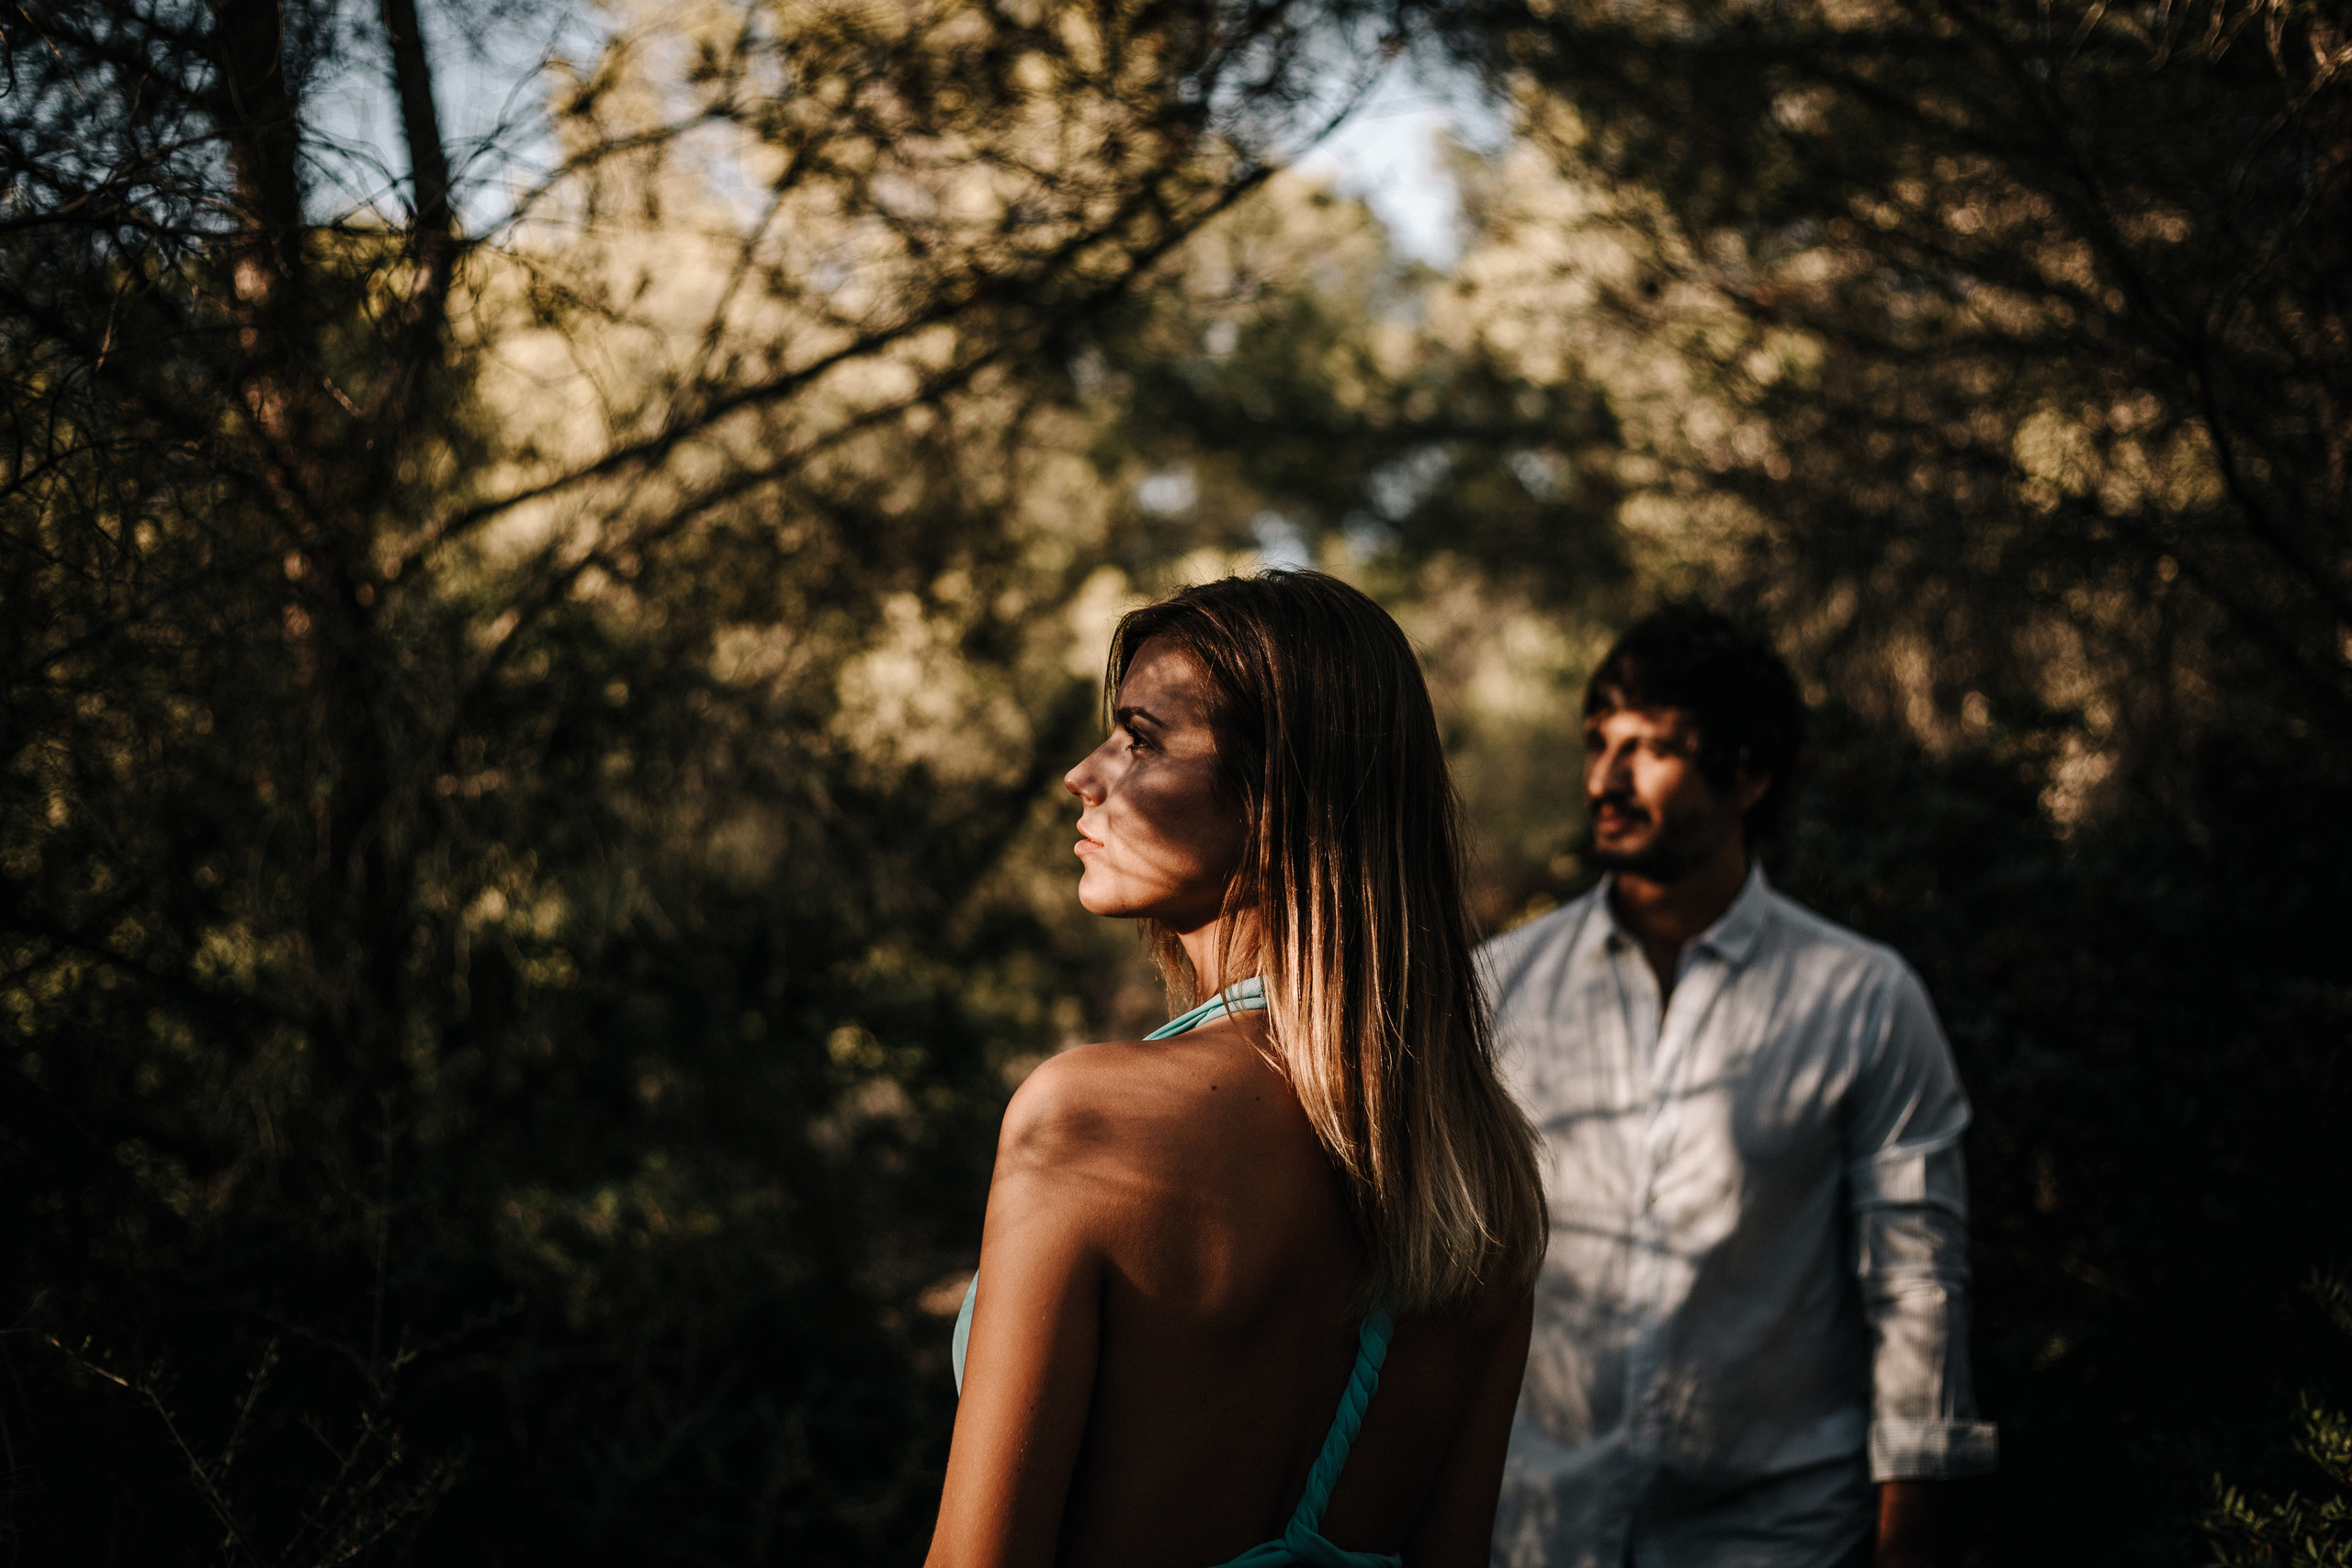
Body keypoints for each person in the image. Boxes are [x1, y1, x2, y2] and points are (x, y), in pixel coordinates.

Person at [925, 570, 1547, 1568]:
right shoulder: (1484, 1177)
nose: (1084, 775)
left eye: (1141, 739)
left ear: (1280, 799)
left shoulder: (1089, 1119)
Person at [1483, 608, 1996, 1568]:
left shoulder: (1862, 998)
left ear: (1749, 775)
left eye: (1651, 749)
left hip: (1776, 1536)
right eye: (1598, 742)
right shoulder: (1496, 990)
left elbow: (1917, 1283)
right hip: (1534, 1530)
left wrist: (1910, 1532)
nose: (1603, 779)